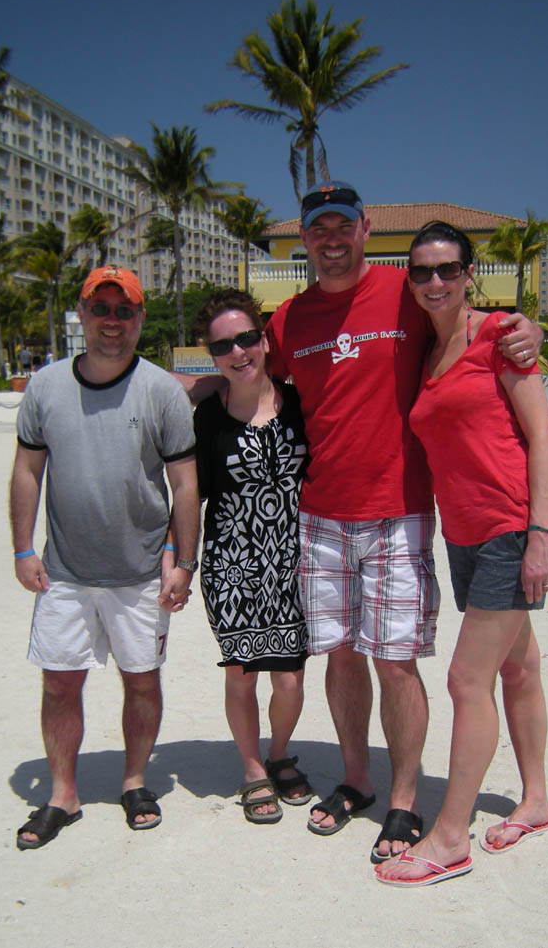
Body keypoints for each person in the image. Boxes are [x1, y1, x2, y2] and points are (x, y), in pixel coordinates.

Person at [261, 181, 544, 863]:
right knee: (341, 655)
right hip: (319, 514)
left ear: (364, 230)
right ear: (305, 238)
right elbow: (251, 378)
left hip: (400, 510)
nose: (331, 239)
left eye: (343, 226)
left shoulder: (407, 293)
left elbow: (472, 322)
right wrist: (189, 387)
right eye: (318, 229)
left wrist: (527, 328)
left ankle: (405, 798)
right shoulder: (288, 320)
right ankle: (357, 778)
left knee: (396, 663)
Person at [375, 222, 548, 887]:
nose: (434, 281)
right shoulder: (427, 350)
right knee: (519, 666)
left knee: (465, 680)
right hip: (465, 534)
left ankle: (450, 837)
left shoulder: (497, 336)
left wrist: (540, 535)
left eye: (447, 269)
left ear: (468, 273)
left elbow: (542, 436)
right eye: (421, 271)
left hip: (512, 528)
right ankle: (535, 802)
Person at [10, 264, 200, 851]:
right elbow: (27, 470)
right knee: (59, 684)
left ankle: (135, 781)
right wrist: (22, 547)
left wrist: (184, 561)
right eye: (101, 308)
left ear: (139, 317)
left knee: (141, 683)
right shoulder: (45, 386)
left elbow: (185, 484)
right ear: (83, 314)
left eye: (124, 310)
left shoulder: (161, 390)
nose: (111, 321)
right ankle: (62, 794)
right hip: (63, 572)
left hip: (141, 572)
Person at [192, 289, 312, 824]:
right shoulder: (207, 417)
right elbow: (190, 494)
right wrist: (177, 558)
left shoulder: (300, 403)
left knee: (289, 677)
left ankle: (279, 753)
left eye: (245, 338)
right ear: (211, 355)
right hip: (231, 564)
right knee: (241, 673)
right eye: (222, 346)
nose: (237, 352)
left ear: (264, 339)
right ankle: (252, 768)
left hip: (293, 561)